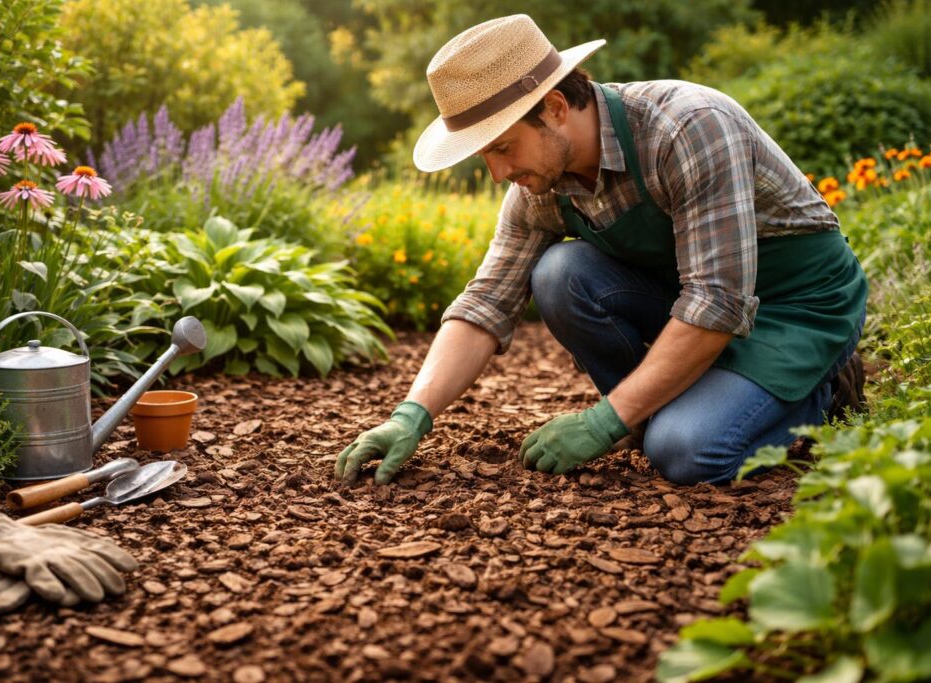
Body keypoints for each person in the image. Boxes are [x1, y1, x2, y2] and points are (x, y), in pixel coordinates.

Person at [334, 14, 867, 487]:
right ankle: (660, 408)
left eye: (502, 147)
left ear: (557, 106)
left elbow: (718, 302)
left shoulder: (686, 127)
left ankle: (822, 389)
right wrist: (410, 414)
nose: (498, 174)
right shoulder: (542, 182)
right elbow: (487, 302)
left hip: (796, 306)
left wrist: (603, 421)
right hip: (694, 305)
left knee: (685, 453)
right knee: (560, 274)